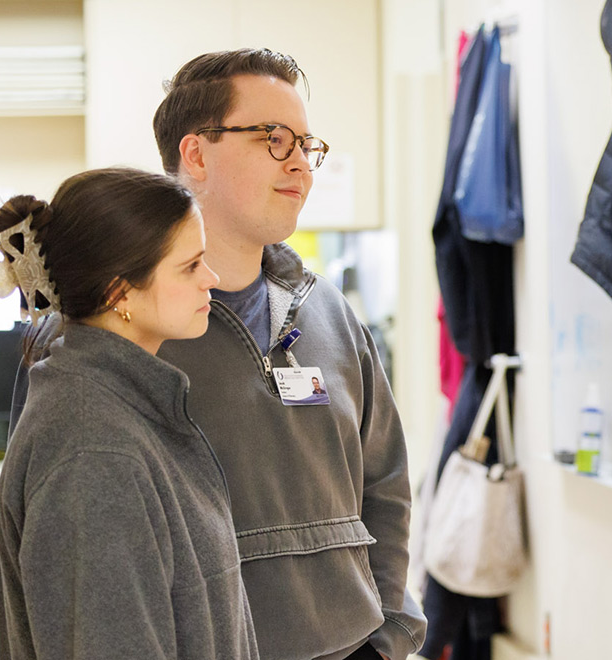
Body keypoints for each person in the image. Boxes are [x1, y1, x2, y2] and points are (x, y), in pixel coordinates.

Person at [152, 49, 423, 660]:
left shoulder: (329, 310)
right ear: (195, 154)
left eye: (306, 144)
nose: (300, 163)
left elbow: (385, 483)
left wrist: (388, 637)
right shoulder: (126, 322)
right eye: (274, 139)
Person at [0, 168, 256, 659]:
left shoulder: (123, 406)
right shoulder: (94, 451)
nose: (211, 279)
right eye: (191, 266)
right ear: (120, 293)